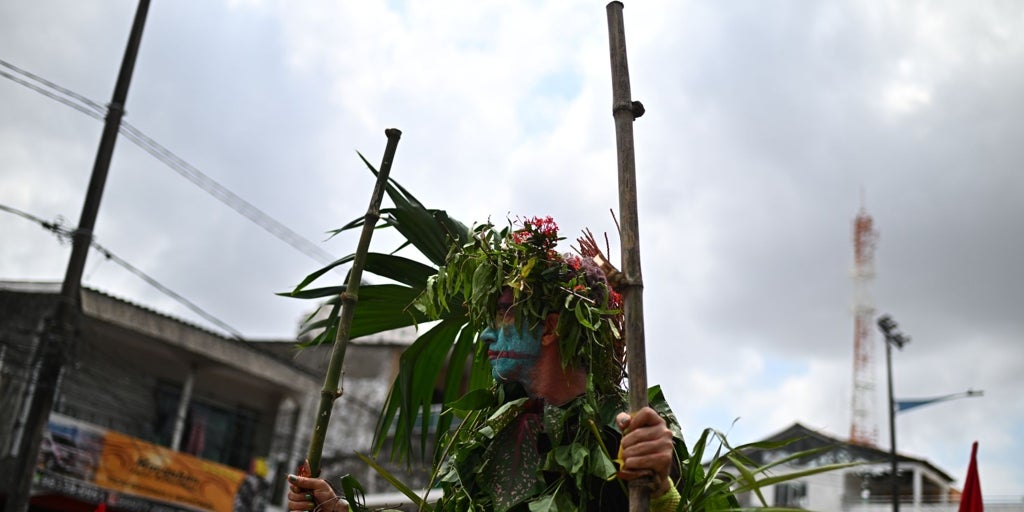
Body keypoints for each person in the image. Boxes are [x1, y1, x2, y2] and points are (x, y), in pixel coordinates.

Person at [287, 217, 683, 512]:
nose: (486, 335)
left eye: (504, 314)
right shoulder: (493, 431)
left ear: (549, 327)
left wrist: (660, 486)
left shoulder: (628, 431)